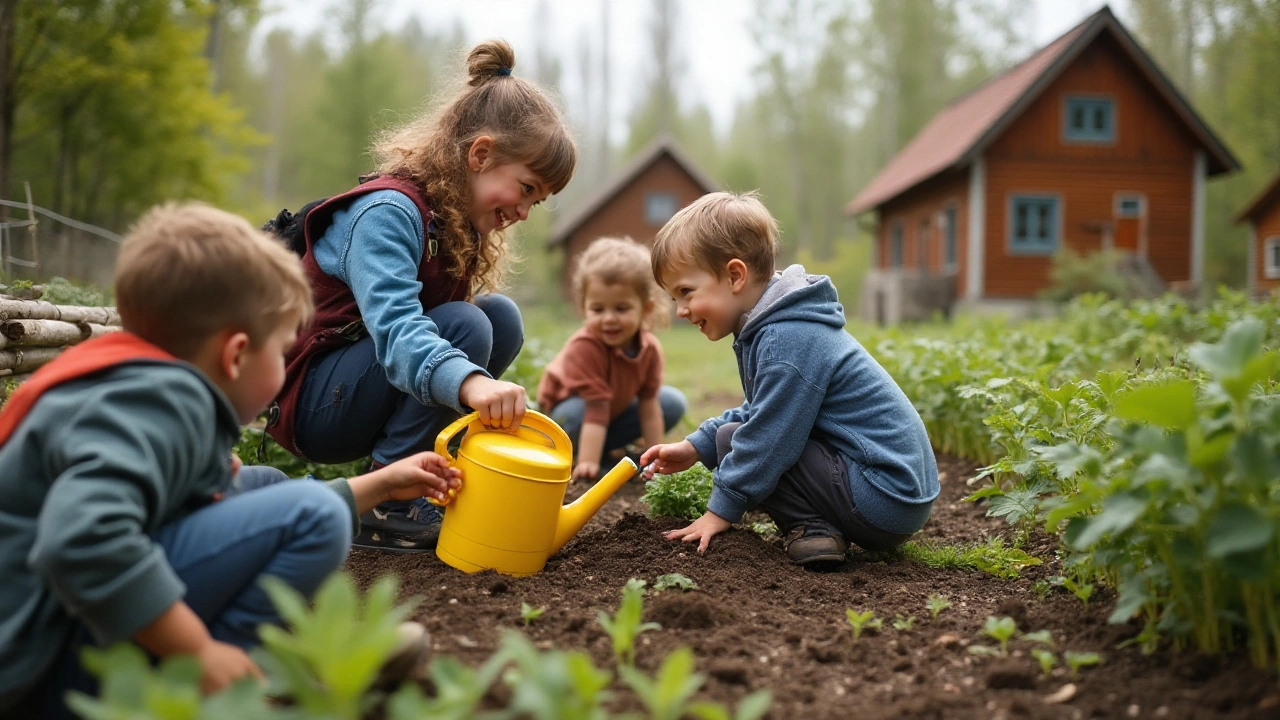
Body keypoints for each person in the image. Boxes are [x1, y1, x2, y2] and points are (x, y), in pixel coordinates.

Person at [0, 203, 457, 719]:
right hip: (40, 668)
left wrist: (377, 485)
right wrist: (198, 651)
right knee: (315, 516)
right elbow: (81, 540)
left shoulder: (132, 383)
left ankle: (248, 669)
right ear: (236, 354)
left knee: (259, 484)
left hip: (65, 625)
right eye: (282, 352)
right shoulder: (154, 402)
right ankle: (229, 685)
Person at [267, 39, 576, 552]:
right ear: (480, 154)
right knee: (469, 326)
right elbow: (397, 332)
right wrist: (473, 386)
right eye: (525, 189)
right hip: (312, 405)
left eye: (537, 202)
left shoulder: (455, 223)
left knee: (499, 317)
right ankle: (388, 498)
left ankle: (423, 478)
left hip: (356, 390)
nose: (524, 212)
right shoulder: (387, 213)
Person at [639, 192, 939, 566]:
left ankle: (811, 525)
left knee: (743, 440)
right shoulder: (778, 326)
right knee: (731, 437)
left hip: (883, 496)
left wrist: (720, 511)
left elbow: (768, 435)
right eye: (673, 299)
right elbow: (761, 407)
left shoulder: (787, 338)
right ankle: (819, 532)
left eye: (686, 292)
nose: (681, 310)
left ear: (735, 275)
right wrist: (697, 446)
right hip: (890, 494)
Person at [537, 237, 687, 481]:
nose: (608, 319)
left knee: (670, 402)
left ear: (645, 309)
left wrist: (656, 458)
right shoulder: (585, 346)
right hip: (564, 422)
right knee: (574, 414)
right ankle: (587, 457)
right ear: (584, 307)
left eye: (621, 309)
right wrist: (587, 464)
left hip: (609, 416)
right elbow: (596, 408)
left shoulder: (648, 349)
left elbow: (649, 408)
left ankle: (613, 454)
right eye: (598, 310)